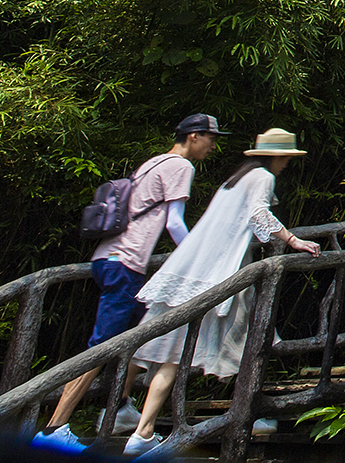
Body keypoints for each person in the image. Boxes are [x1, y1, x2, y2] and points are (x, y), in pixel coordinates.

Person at [123, 129, 321, 458]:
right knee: (251, 340)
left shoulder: (233, 180)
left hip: (191, 271)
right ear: (275, 156)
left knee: (171, 353)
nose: (287, 163)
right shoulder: (261, 178)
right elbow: (259, 214)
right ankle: (247, 414)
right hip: (220, 275)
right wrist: (292, 240)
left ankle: (139, 427)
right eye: (286, 157)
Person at [34, 114, 222, 448]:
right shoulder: (181, 167)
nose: (213, 146)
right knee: (100, 348)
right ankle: (53, 430)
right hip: (125, 264)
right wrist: (202, 259)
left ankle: (120, 407)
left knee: (142, 335)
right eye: (211, 138)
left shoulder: (153, 163)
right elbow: (175, 224)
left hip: (108, 259)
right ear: (194, 137)